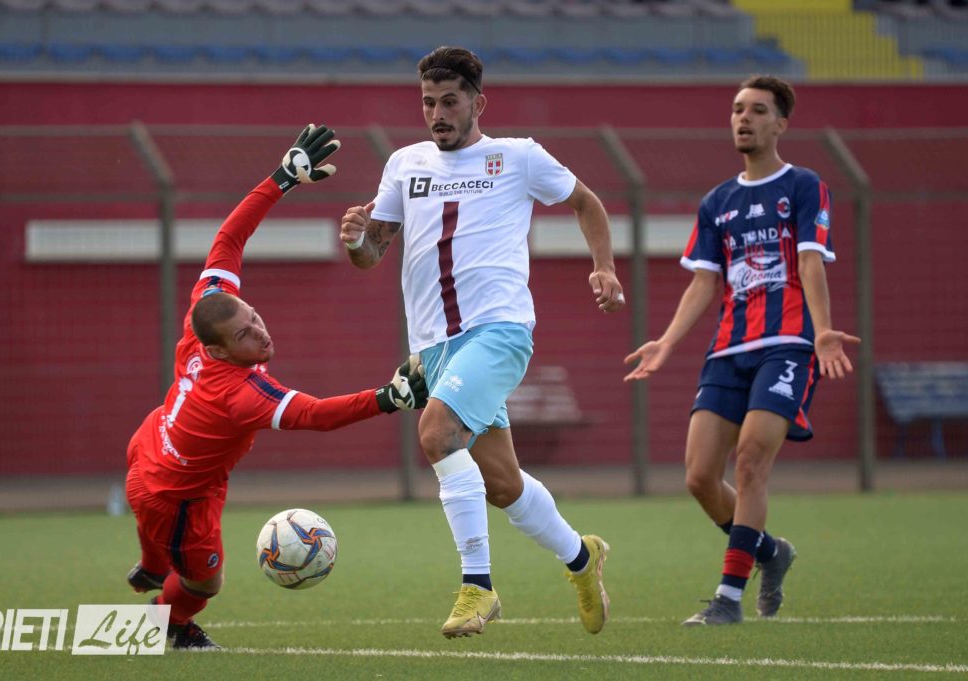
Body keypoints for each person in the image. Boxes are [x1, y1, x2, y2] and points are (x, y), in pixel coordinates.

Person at [339, 46, 625, 639]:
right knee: (502, 484)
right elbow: (373, 253)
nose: (437, 114)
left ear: (478, 103)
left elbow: (586, 202)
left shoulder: (517, 157)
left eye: (450, 102)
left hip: (500, 331)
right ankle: (582, 557)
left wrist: (604, 266)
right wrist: (357, 240)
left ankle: (479, 586)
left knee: (436, 432)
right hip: (437, 349)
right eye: (428, 103)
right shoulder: (404, 164)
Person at [124, 124, 428, 650]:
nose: (261, 333)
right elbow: (315, 415)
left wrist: (282, 178)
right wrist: (388, 397)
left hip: (152, 446)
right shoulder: (237, 393)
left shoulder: (208, 311)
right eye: (246, 335)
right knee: (204, 584)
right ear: (221, 352)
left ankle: (152, 565)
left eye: (255, 317)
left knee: (162, 545)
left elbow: (229, 239)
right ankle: (160, 624)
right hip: (176, 495)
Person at [623, 76, 860, 626]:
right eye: (736, 110)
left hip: (789, 346)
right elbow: (704, 282)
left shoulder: (803, 185)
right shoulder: (718, 202)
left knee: (751, 461)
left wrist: (823, 331)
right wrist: (666, 342)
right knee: (699, 477)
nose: (743, 118)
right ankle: (771, 553)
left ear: (781, 124)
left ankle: (727, 599)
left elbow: (810, 263)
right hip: (729, 350)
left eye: (757, 110)